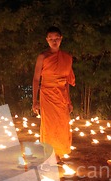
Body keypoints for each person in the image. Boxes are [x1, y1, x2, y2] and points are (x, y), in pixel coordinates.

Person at [32, 26, 75, 163]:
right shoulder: (43, 57)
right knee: (49, 125)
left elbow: (67, 81)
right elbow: (36, 79)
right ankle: (51, 155)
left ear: (61, 39)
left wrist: (69, 101)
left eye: (56, 38)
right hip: (47, 94)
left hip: (61, 95)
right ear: (47, 40)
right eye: (51, 39)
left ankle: (58, 153)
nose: (54, 41)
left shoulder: (67, 57)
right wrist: (34, 100)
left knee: (62, 125)